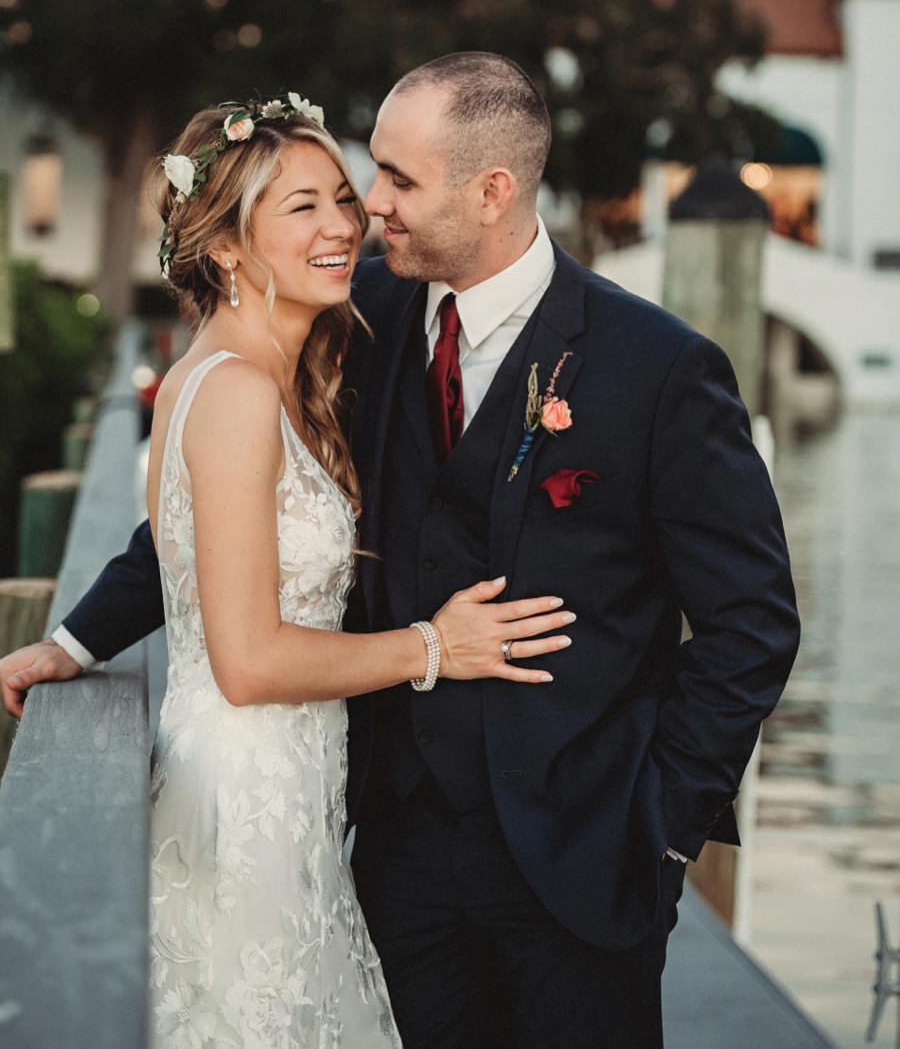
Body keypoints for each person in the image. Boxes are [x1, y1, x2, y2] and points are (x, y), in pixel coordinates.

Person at [1, 55, 800, 1049]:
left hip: (585, 859)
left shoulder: (659, 366)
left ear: (492, 190)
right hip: (391, 852)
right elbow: (214, 509)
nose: (371, 208)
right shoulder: (355, 315)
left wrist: (664, 824)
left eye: (397, 181)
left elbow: (752, 622)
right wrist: (77, 640)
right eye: (362, 178)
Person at [2, 95, 573, 1048]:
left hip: (303, 800)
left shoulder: (295, 363)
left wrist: (71, 640)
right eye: (302, 206)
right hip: (243, 805)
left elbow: (204, 551)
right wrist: (438, 646)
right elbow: (248, 662)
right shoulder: (231, 392)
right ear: (227, 246)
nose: (346, 225)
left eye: (346, 198)